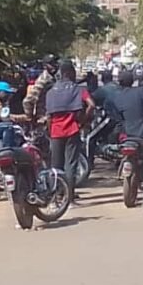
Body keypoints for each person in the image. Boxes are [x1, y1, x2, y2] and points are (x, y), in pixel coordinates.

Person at [45, 61, 94, 202]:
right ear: (69, 73)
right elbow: (92, 104)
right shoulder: (78, 89)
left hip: (55, 132)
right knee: (70, 164)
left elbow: (49, 116)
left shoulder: (51, 92)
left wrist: (50, 131)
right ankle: (69, 197)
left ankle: (56, 195)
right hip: (72, 130)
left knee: (56, 165)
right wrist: (83, 119)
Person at [107, 69, 143, 139]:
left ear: (119, 83)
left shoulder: (117, 98)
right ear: (132, 81)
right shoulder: (140, 91)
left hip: (127, 133)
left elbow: (117, 117)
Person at [22, 54, 59, 121]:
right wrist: (30, 117)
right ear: (45, 66)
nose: (55, 65)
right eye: (51, 63)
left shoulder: (55, 77)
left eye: (55, 62)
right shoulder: (43, 80)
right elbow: (28, 101)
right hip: (44, 118)